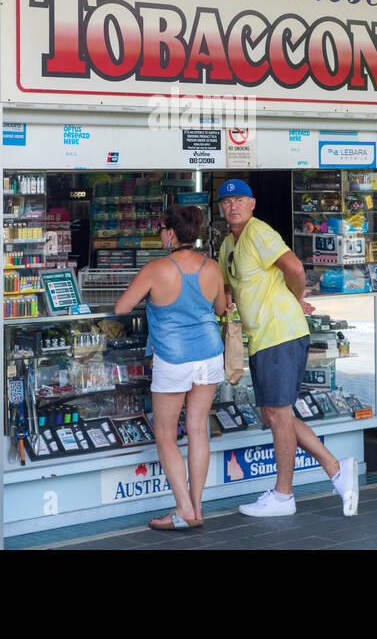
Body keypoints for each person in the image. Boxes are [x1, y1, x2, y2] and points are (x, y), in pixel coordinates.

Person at [217, 178, 358, 517]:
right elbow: (225, 288)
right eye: (226, 201)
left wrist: (294, 298)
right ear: (220, 208)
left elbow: (294, 267)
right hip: (261, 338)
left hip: (280, 332)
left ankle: (283, 495)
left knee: (278, 415)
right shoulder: (227, 246)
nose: (232, 205)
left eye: (239, 200)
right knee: (274, 413)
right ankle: (337, 470)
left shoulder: (259, 232)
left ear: (252, 204)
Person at [114, 204, 227, 530]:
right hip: (208, 355)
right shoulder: (212, 267)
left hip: (172, 357)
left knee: (165, 434)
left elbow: (123, 307)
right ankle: (197, 506)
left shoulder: (156, 268)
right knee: (197, 430)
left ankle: (183, 508)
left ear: (171, 233)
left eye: (162, 229)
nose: (160, 234)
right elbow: (220, 309)